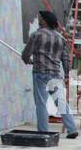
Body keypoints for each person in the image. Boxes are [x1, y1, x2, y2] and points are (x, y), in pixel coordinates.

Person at [21, 10, 77, 139]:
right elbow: (66, 59)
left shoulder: (36, 35)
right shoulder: (61, 38)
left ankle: (43, 132)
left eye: (40, 18)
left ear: (44, 21)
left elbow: (26, 53)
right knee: (61, 102)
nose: (39, 20)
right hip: (55, 74)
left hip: (40, 73)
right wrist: (67, 75)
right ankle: (72, 129)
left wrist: (27, 60)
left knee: (41, 103)